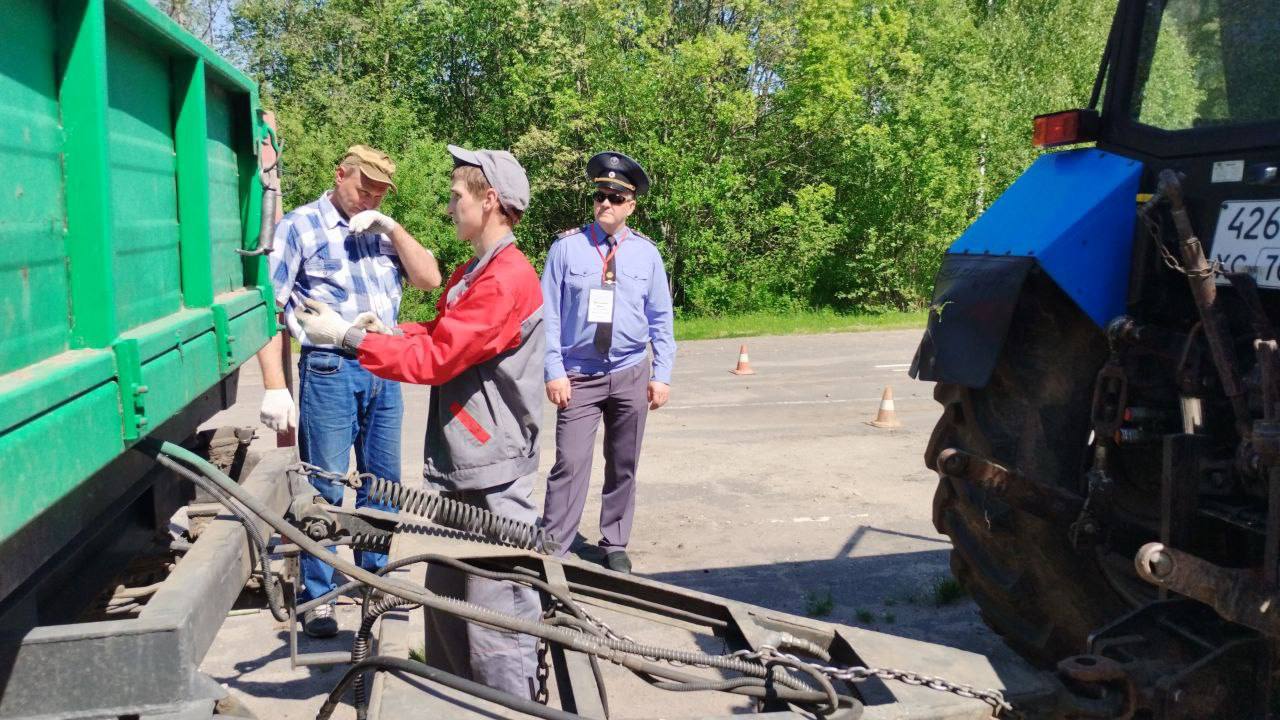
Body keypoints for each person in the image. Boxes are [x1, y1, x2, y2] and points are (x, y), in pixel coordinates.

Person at [294, 145, 544, 698]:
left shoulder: (504, 280)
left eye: (458, 197)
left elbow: (436, 361)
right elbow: (436, 333)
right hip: (467, 467)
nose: (450, 206)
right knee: (451, 614)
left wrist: (351, 340)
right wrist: (382, 331)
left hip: (493, 474)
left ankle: (515, 707)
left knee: (498, 624)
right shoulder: (476, 270)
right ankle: (464, 701)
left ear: (491, 201)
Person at [259, 145, 442, 637]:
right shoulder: (299, 227)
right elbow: (268, 308)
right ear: (340, 174)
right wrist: (276, 387)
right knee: (327, 486)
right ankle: (319, 596)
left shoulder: (381, 231)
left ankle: (373, 580)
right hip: (329, 368)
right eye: (365, 189)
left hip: (385, 366)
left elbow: (429, 278)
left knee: (382, 484)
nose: (370, 199)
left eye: (380, 194)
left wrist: (393, 229)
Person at [540, 151, 676, 574]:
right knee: (571, 462)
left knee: (624, 462)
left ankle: (614, 541)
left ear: (631, 205)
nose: (606, 204)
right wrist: (553, 370)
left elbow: (661, 317)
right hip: (579, 373)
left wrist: (662, 374)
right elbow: (549, 315)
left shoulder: (646, 255)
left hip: (631, 371)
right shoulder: (566, 249)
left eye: (616, 198)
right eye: (601, 195)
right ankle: (555, 544)